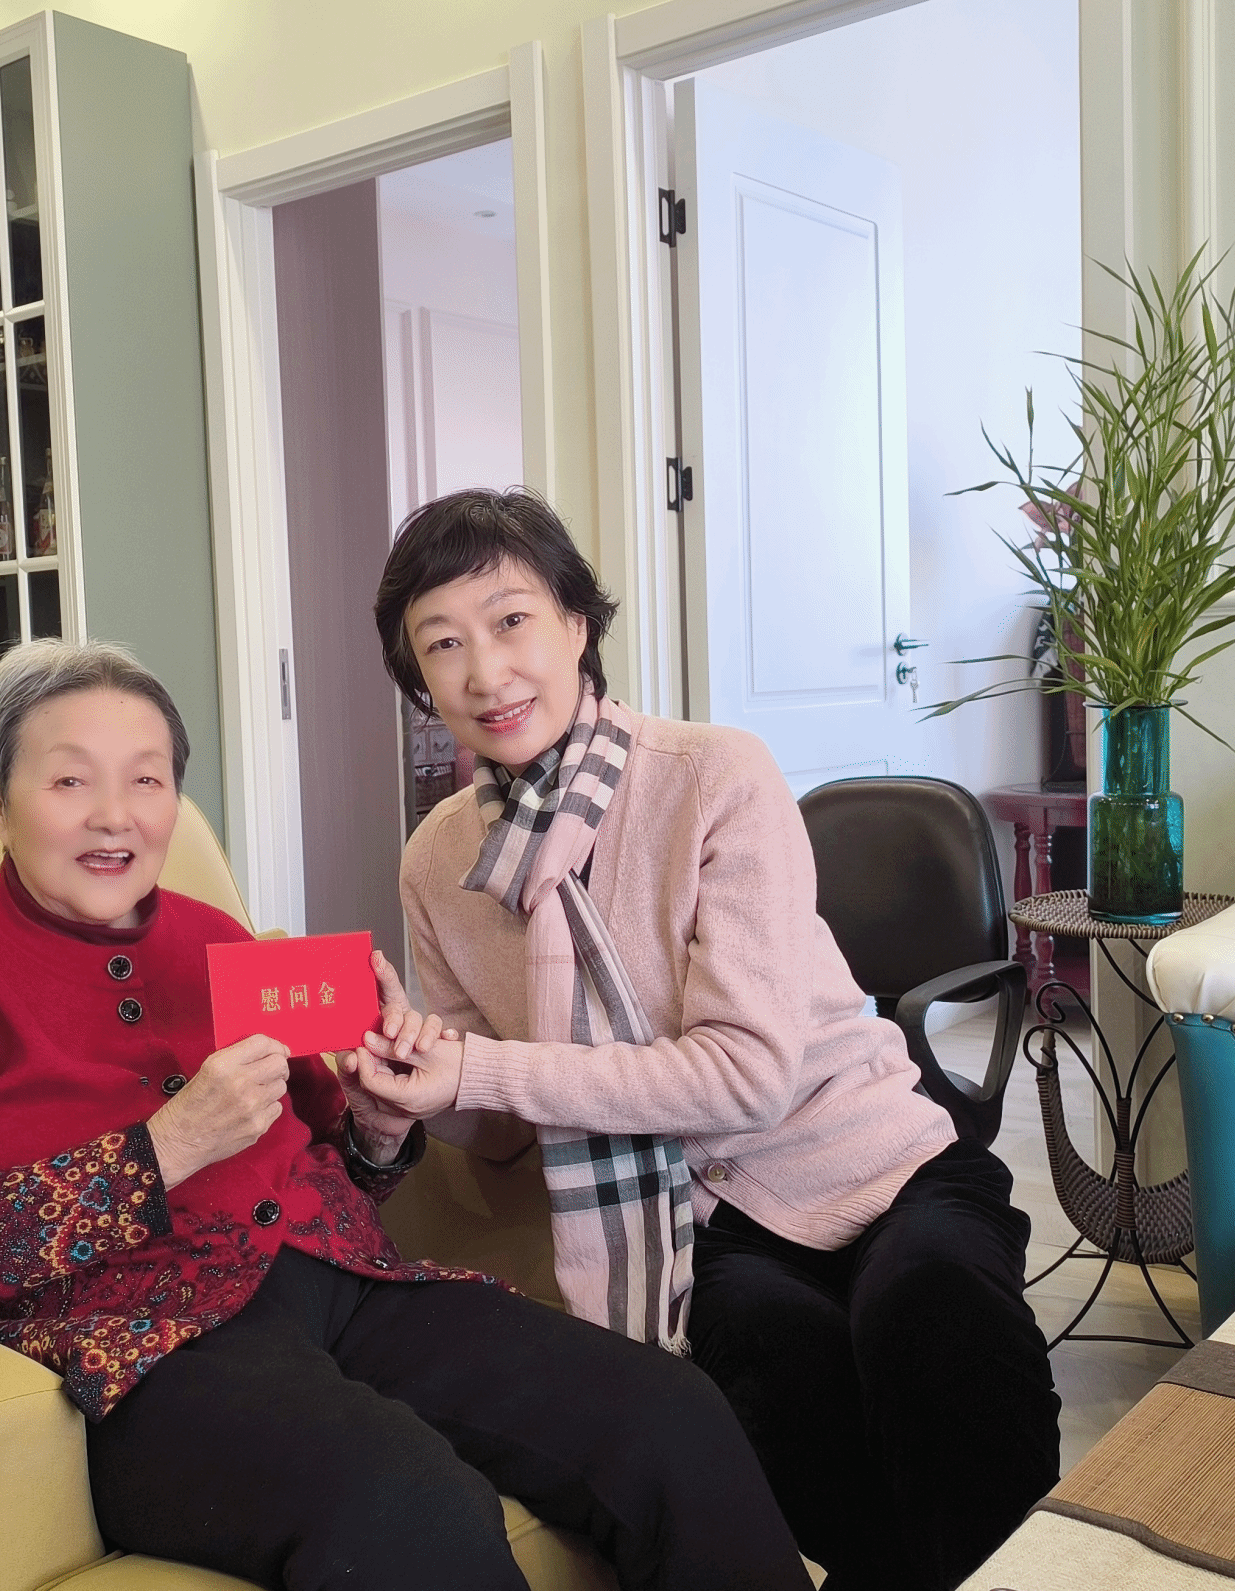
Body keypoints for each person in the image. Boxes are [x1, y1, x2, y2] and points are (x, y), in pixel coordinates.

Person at [0, 637, 810, 1591]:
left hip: (352, 1286)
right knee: (405, 1505)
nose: (113, 815)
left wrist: (379, 1120)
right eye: (68, 781)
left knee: (667, 1414)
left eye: (146, 779)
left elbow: (346, 1165)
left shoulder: (220, 940)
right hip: (150, 1348)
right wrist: (161, 1151)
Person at [348, 490, 1062, 1591]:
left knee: (933, 1308)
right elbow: (500, 1135)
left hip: (880, 1160)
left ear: (576, 623)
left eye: (510, 620)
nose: (484, 672)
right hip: (696, 1218)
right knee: (771, 1365)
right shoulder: (439, 860)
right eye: (442, 645)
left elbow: (746, 1075)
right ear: (420, 680)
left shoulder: (712, 774)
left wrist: (478, 1066)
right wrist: (411, 1092)